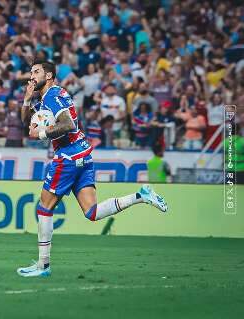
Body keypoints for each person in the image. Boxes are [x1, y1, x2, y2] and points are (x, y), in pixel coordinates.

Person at [17, 60, 168, 277]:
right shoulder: (47, 97)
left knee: (44, 207)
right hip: (83, 154)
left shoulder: (52, 97)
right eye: (31, 72)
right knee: (92, 212)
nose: (32, 76)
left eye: (36, 72)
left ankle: (43, 266)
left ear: (49, 75)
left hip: (68, 157)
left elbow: (68, 124)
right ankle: (141, 195)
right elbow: (26, 123)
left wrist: (41, 134)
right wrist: (26, 99)